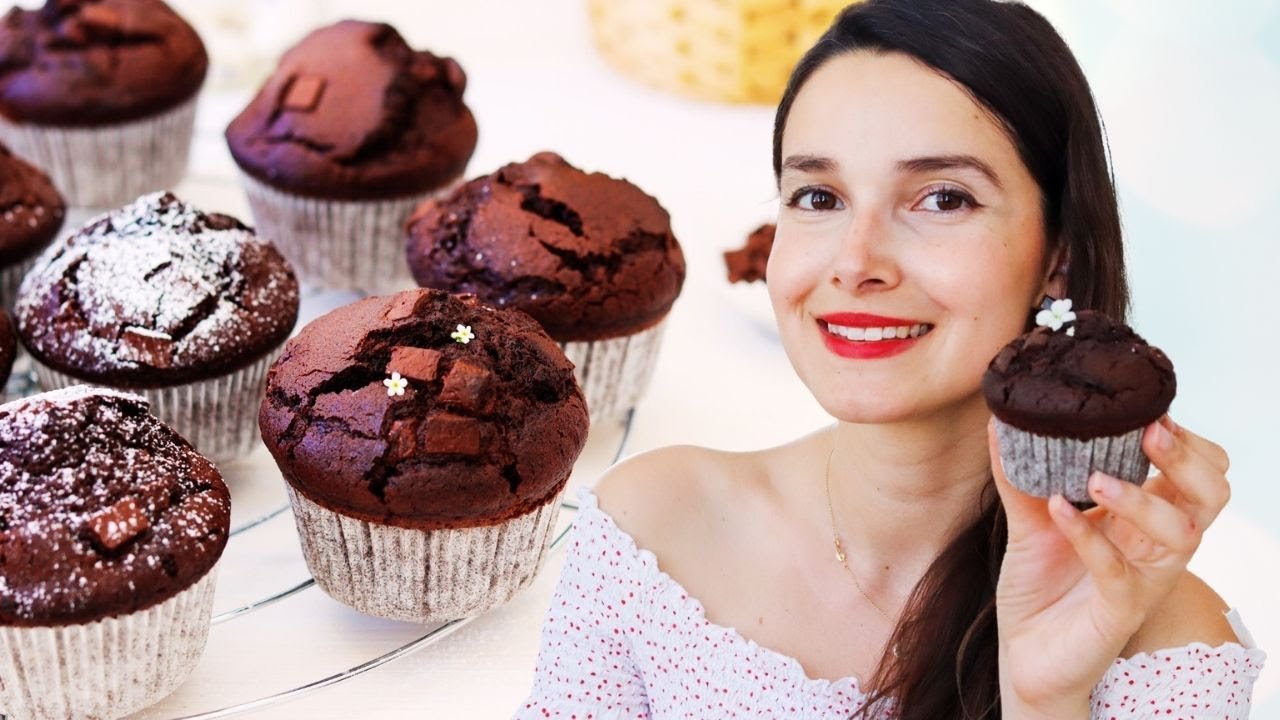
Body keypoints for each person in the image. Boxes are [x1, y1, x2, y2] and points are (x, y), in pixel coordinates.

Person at [515, 0, 1266, 717]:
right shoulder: (652, 527)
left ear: (1057, 260)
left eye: (942, 199)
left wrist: (1045, 700)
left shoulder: (1170, 650)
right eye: (817, 196)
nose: (856, 261)